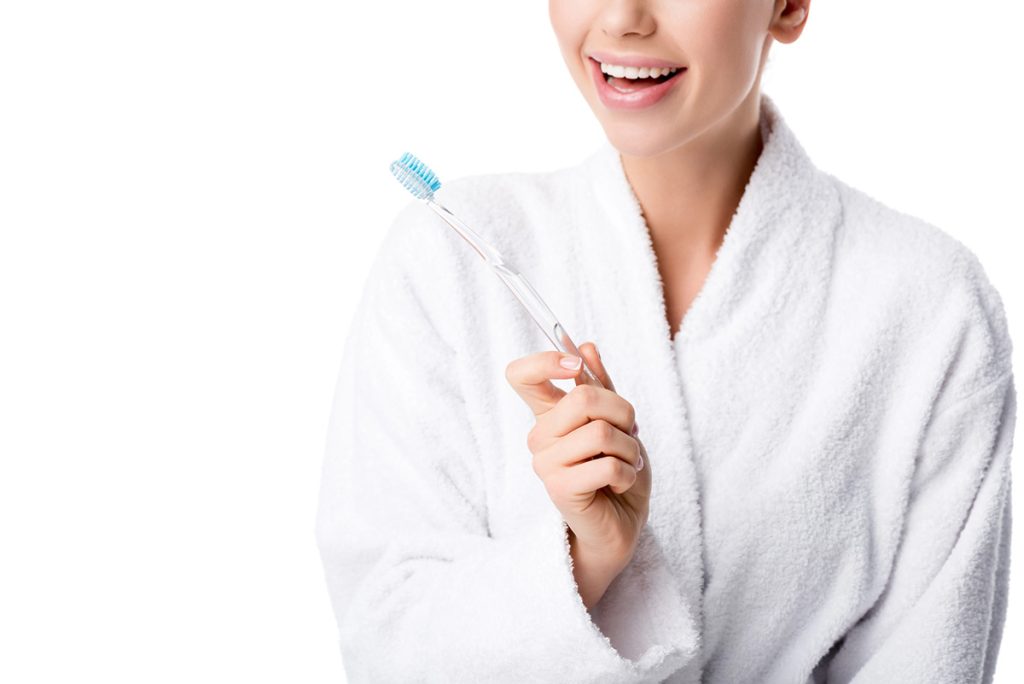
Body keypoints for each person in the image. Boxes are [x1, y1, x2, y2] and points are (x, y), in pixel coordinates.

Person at [315, 1, 1016, 682]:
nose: (622, 17)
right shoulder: (451, 261)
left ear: (790, 6)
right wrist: (587, 559)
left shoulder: (931, 306)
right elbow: (387, 643)